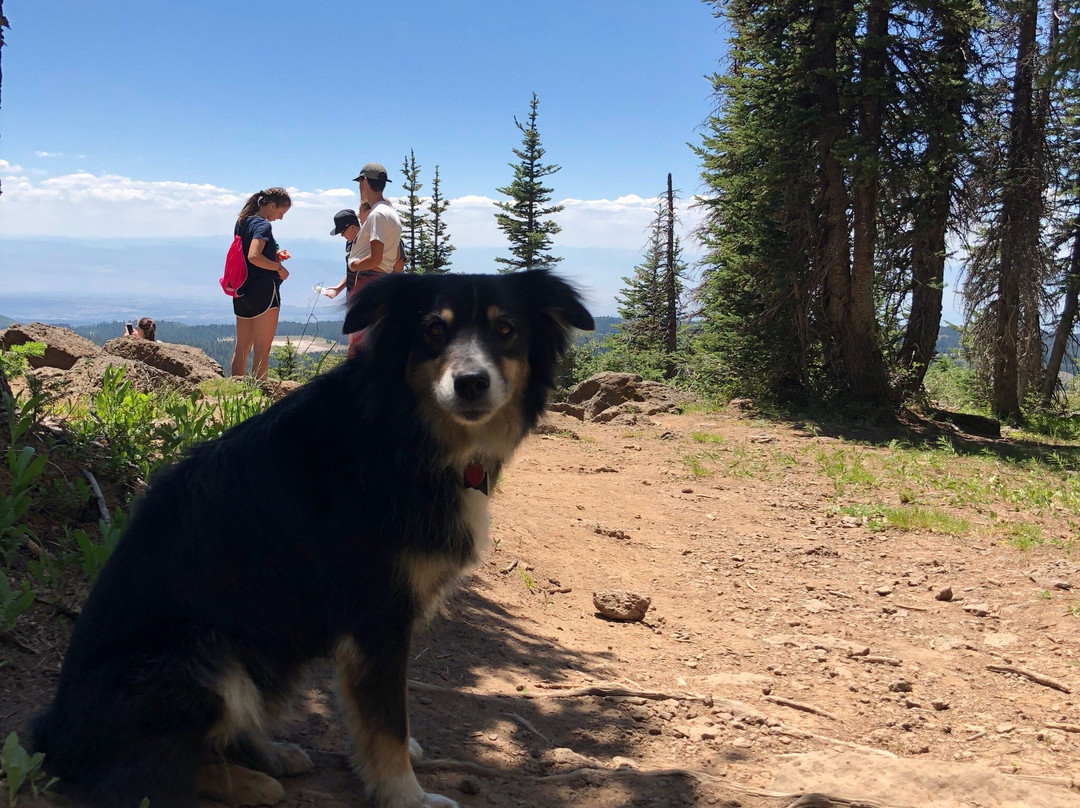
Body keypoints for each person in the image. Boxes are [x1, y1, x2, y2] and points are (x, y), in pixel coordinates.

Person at [342, 163, 403, 355]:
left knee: (357, 344)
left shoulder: (377, 214)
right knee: (373, 341)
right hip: (383, 280)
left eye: (360, 182)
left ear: (365, 182)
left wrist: (354, 265)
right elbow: (395, 257)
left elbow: (375, 258)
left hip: (368, 281)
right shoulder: (391, 212)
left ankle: (355, 376)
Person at [230, 187, 291, 379]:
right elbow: (254, 256)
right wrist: (279, 268)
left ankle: (235, 390)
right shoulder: (263, 225)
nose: (281, 218)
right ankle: (259, 392)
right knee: (262, 349)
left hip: (241, 290)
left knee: (241, 347)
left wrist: (272, 256)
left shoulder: (242, 221)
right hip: (263, 292)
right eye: (281, 212)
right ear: (271, 206)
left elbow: (246, 255)